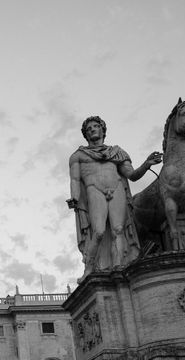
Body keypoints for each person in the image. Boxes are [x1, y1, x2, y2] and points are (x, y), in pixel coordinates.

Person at [67, 116, 161, 282]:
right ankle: (89, 268)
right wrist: (74, 198)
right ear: (85, 135)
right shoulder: (78, 156)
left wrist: (147, 164)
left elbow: (131, 175)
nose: (92, 130)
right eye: (89, 129)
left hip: (116, 188)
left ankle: (119, 269)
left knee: (118, 229)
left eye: (96, 126)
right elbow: (74, 179)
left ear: (103, 130)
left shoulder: (117, 152)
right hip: (93, 189)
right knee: (99, 231)